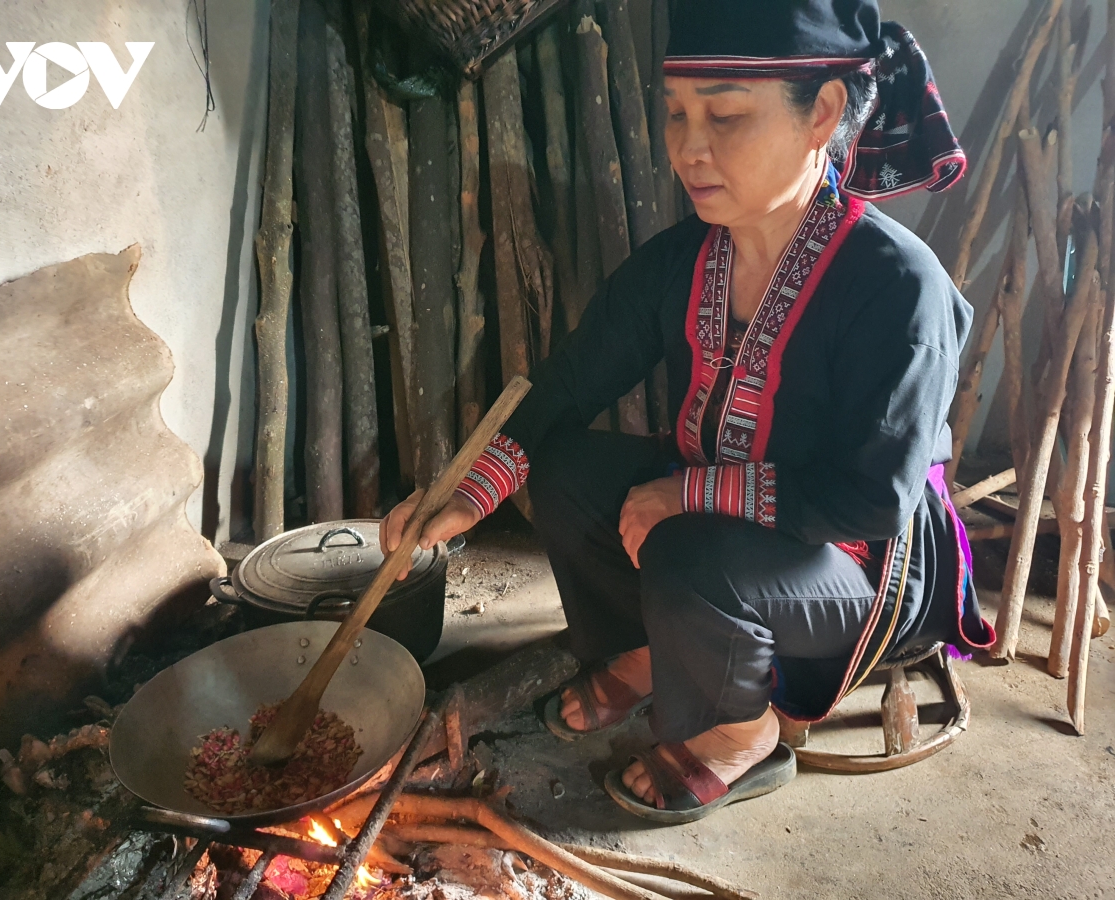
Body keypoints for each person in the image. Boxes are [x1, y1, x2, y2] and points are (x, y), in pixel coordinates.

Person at [381, 0, 995, 822]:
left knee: (686, 553)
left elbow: (872, 501)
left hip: (857, 566)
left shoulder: (897, 288)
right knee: (564, 470)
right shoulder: (686, 261)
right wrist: (466, 493)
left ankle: (740, 732)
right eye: (676, 113)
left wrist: (688, 494)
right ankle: (645, 651)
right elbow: (569, 384)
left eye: (725, 115)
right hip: (718, 532)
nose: (687, 149)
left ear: (822, 113)